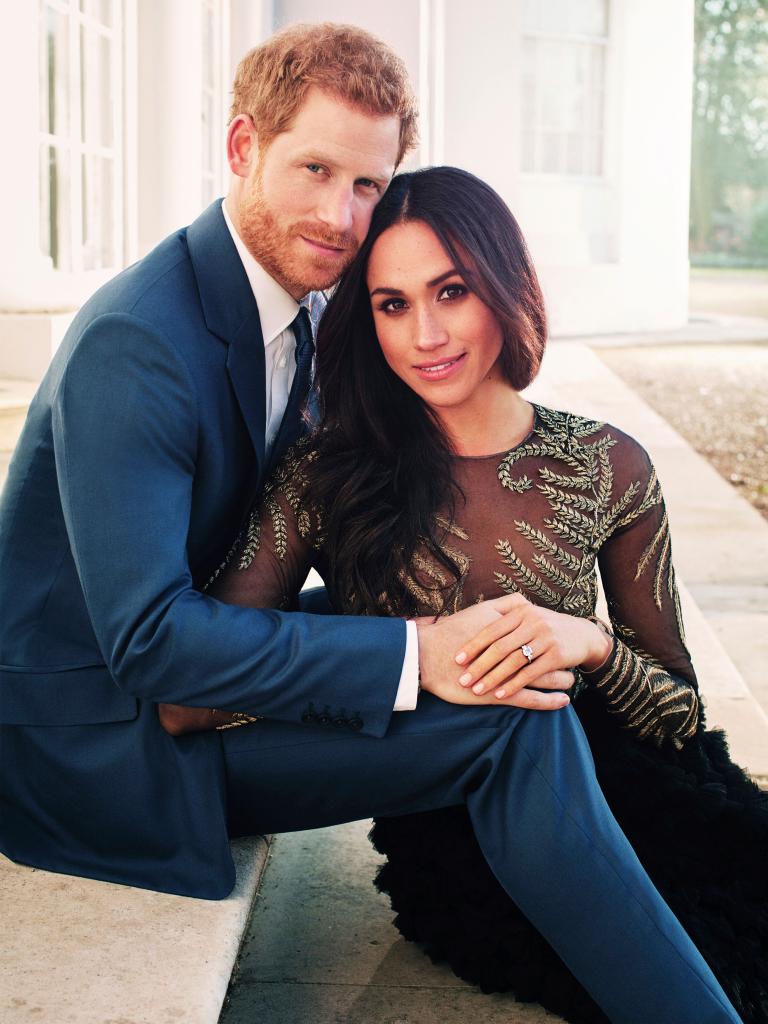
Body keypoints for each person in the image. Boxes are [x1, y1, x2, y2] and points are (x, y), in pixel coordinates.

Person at [161, 167, 766, 1023]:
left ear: (504, 285)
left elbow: (677, 713)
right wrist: (393, 668)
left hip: (638, 793)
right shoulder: (325, 477)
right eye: (392, 303)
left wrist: (587, 643)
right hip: (459, 835)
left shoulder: (606, 465)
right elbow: (198, 680)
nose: (428, 334)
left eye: (453, 290)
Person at [0, 24, 568, 901]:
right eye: (315, 169)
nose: (341, 217)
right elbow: (149, 642)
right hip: (103, 746)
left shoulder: (297, 307)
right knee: (514, 723)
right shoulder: (137, 342)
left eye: (367, 184)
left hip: (189, 675)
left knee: (501, 649)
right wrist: (414, 654)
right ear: (243, 146)